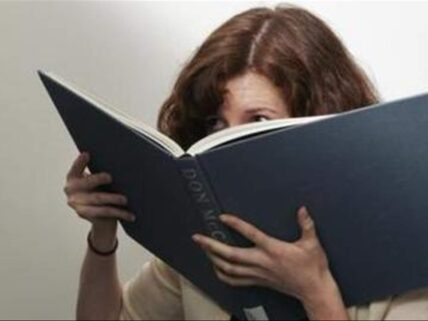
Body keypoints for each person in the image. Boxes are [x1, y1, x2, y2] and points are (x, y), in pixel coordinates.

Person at [64, 4, 428, 320]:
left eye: (258, 120)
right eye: (216, 124)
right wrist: (103, 231)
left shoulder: (401, 254)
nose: (227, 140)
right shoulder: (210, 246)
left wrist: (316, 292)